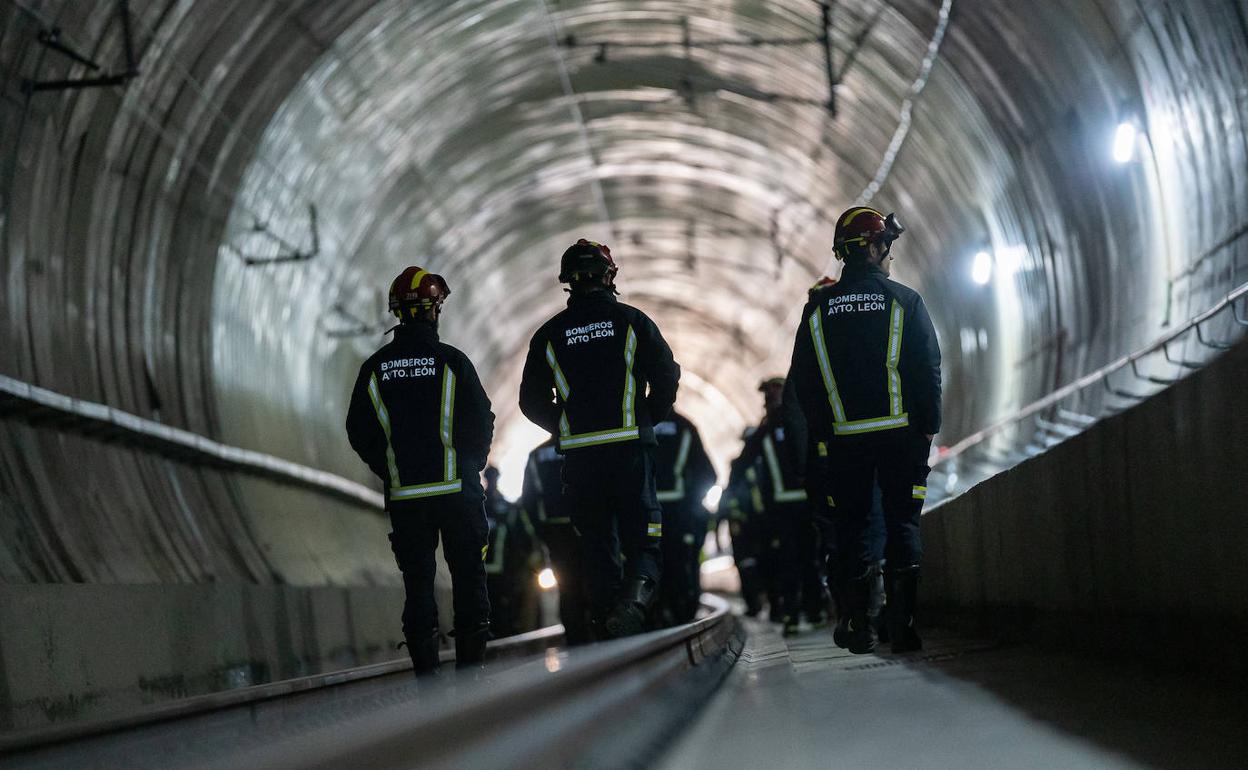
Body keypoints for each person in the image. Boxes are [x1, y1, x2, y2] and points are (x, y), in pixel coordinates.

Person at [789, 207, 941, 654]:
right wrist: (928, 426)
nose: (889, 256)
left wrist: (825, 432)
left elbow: (805, 383)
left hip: (845, 442)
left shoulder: (817, 312)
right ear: (872, 249)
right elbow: (926, 368)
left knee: (851, 528)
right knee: (902, 524)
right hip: (901, 438)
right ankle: (903, 626)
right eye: (886, 247)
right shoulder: (905, 301)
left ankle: (857, 621)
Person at [519, 239, 680, 639]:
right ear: (610, 276)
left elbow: (530, 400)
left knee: (597, 545)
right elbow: (666, 376)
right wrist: (645, 419)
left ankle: (610, 625)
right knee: (644, 540)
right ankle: (634, 603)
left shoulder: (549, 335)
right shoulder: (632, 322)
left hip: (582, 461)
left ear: (568, 283)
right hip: (629, 452)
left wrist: (567, 427)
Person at [346, 266, 494, 675]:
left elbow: (359, 431)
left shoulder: (375, 368)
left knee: (417, 581)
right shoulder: (452, 362)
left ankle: (426, 675)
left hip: (407, 496)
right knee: (468, 574)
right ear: (434, 311)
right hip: (456, 493)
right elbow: (481, 420)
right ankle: (470, 670)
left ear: (397, 312)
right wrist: (468, 467)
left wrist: (390, 468)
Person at [520, 437, 594, 644]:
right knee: (595, 580)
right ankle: (599, 634)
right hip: (591, 527)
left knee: (568, 588)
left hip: (556, 532)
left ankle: (576, 639)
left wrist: (541, 533)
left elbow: (529, 500)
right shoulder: (586, 443)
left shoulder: (537, 454)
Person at [652, 411, 716, 625]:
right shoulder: (685, 426)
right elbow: (708, 473)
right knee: (681, 562)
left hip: (644, 514)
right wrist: (691, 502)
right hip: (679, 515)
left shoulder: (634, 422)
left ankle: (657, 613)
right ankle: (682, 613)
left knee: (649, 561)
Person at [482, 466, 542, 638]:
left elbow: (526, 538)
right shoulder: (480, 508)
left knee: (505, 612)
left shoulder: (508, 509)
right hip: (487, 574)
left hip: (504, 573)